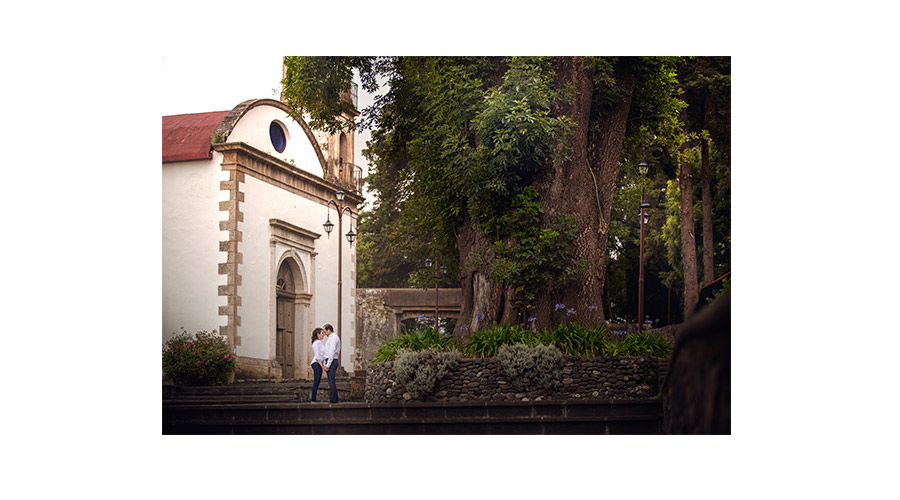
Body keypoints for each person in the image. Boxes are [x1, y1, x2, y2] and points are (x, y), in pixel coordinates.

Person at [322, 323, 341, 403]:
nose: (324, 333)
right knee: (330, 380)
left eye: (324, 331)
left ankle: (333, 399)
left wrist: (327, 365)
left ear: (329, 330)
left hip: (332, 361)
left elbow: (332, 352)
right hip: (331, 360)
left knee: (331, 381)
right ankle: (334, 398)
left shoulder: (334, 338)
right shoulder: (331, 338)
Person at [309, 328, 326, 402]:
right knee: (316, 381)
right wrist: (322, 365)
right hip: (316, 363)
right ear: (318, 334)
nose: (323, 335)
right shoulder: (316, 343)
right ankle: (313, 399)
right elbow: (317, 356)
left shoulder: (319, 342)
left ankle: (314, 398)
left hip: (319, 363)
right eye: (322, 333)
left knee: (318, 381)